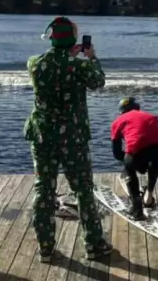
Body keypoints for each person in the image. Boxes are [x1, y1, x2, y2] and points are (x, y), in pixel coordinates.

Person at [24, 17, 111, 262]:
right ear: (74, 40)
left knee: (44, 190)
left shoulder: (35, 64)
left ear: (52, 37)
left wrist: (67, 55)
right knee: (83, 190)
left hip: (42, 135)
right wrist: (91, 57)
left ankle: (46, 247)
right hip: (73, 138)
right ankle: (94, 246)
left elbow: (50, 66)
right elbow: (98, 81)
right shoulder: (79, 67)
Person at [111, 97, 158, 220]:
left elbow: (117, 153)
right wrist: (141, 165)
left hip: (140, 150)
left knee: (129, 167)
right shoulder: (149, 116)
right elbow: (154, 139)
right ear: (137, 107)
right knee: (155, 158)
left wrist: (134, 164)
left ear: (121, 111)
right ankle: (149, 197)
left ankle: (137, 209)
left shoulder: (117, 122)